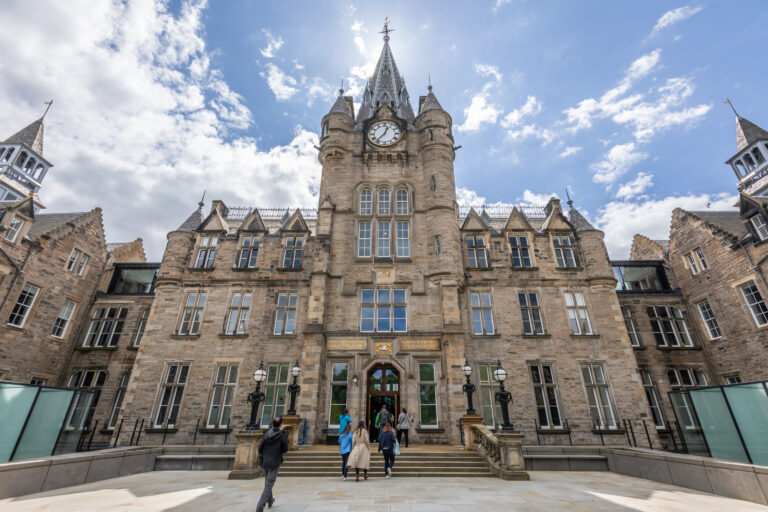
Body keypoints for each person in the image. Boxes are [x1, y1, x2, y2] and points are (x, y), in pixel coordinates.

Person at [256, 416, 289, 512]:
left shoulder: (266, 434)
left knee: (267, 483)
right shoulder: (282, 435)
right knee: (269, 484)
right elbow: (285, 449)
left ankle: (270, 501)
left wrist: (265, 455)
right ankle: (260, 506)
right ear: (281, 425)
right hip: (274, 461)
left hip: (265, 461)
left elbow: (260, 448)